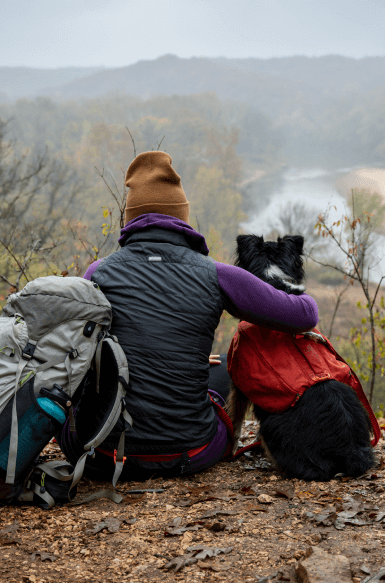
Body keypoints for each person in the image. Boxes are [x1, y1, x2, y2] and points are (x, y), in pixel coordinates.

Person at [59, 151, 318, 481]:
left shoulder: (98, 273)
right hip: (190, 453)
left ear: (129, 219)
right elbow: (305, 314)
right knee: (225, 365)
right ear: (182, 218)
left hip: (100, 456)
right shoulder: (217, 275)